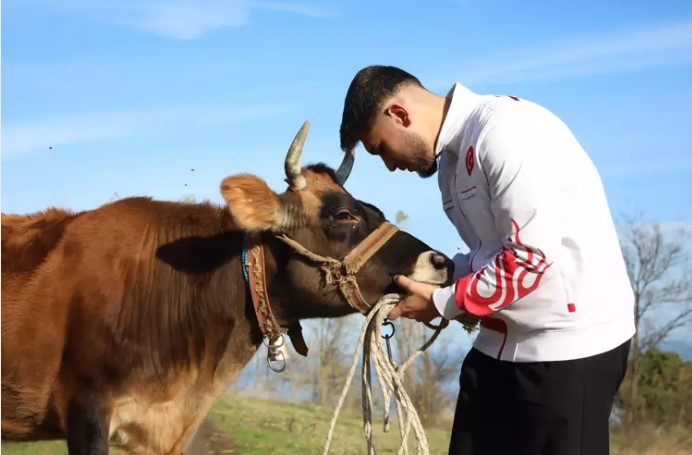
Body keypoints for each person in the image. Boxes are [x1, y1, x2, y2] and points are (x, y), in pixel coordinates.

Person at [339, 65, 634, 455]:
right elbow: (490, 254)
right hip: (496, 347)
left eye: (380, 149)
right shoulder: (448, 167)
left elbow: (529, 259)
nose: (390, 165)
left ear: (399, 114)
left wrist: (441, 304)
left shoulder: (506, 131)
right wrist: (434, 276)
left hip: (568, 351)